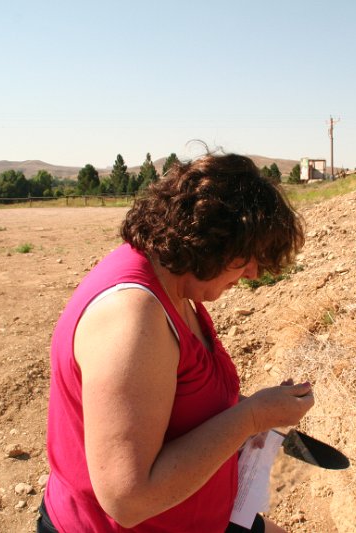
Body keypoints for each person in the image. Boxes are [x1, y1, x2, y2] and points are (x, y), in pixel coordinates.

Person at [40, 152, 314, 532]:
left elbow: (175, 405)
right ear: (209, 239)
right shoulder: (133, 317)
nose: (252, 271)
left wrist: (260, 413)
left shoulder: (177, 287)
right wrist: (250, 418)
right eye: (245, 256)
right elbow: (128, 499)